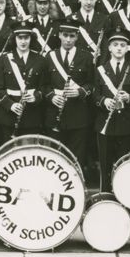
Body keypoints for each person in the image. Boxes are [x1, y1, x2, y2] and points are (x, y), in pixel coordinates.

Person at [43, 18, 94, 171]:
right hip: (54, 114)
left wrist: (79, 92)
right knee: (54, 158)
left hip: (78, 116)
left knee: (75, 159)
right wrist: (52, 96)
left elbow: (92, 84)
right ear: (59, 35)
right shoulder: (50, 56)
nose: (68, 39)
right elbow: (43, 85)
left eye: (72, 36)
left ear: (77, 37)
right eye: (65, 35)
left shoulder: (86, 57)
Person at [93, 29, 130, 193]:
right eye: (115, 45)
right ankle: (105, 195)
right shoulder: (100, 69)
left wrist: (129, 97)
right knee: (105, 163)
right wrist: (104, 101)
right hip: (104, 122)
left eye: (123, 45)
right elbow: (94, 95)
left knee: (124, 164)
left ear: (127, 48)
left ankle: (122, 195)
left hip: (126, 123)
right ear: (110, 48)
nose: (119, 48)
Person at [0, 23, 46, 144]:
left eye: (26, 38)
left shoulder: (40, 60)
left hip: (32, 116)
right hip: (8, 116)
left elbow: (44, 87)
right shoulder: (4, 59)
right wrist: (10, 105)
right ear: (14, 39)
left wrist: (36, 97)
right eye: (20, 38)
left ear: (31, 39)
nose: (23, 41)